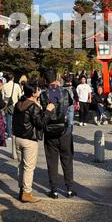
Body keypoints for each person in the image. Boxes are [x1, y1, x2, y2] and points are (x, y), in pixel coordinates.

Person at [13, 82, 55, 203]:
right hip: (29, 139)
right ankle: (27, 192)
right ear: (33, 93)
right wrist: (47, 111)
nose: (39, 91)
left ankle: (21, 190)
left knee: (21, 165)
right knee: (29, 167)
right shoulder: (33, 107)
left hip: (18, 138)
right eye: (38, 90)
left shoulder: (19, 103)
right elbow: (40, 123)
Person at [40, 70, 76, 199]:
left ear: (45, 80)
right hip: (64, 131)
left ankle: (54, 190)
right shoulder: (66, 92)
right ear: (56, 78)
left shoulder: (43, 95)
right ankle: (70, 189)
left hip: (50, 132)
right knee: (67, 160)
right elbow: (70, 105)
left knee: (52, 161)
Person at [2, 75, 22, 140]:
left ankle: (9, 135)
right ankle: (15, 132)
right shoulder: (16, 85)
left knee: (8, 120)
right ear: (13, 78)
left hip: (7, 105)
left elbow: (2, 97)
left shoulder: (4, 85)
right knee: (15, 120)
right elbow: (20, 96)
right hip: (15, 105)